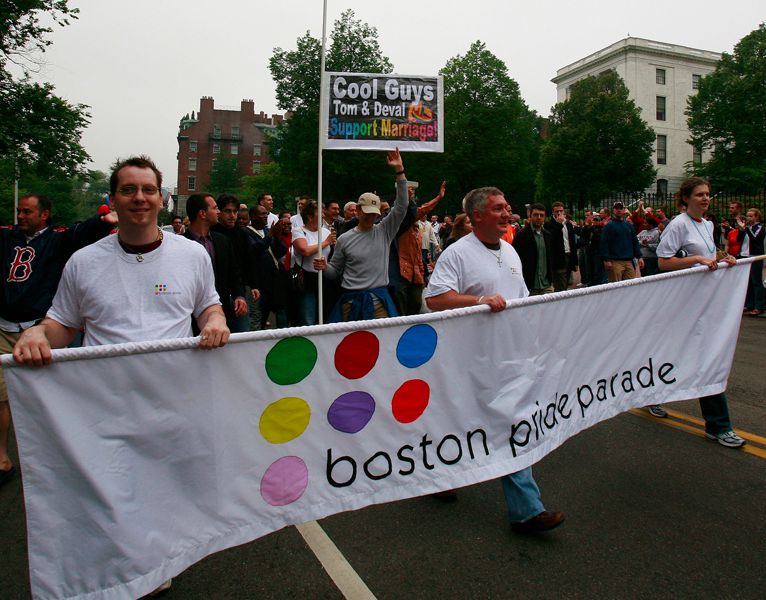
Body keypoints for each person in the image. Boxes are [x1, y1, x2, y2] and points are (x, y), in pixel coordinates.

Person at [12, 156, 228, 596]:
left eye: (147, 190)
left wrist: (215, 320)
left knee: (163, 490)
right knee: (114, 493)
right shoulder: (83, 262)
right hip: (104, 405)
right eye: (128, 190)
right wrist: (37, 332)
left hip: (171, 403)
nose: (139, 198)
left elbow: (208, 304)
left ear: (161, 199)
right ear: (112, 199)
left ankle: (154, 564)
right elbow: (63, 324)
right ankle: (125, 573)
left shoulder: (191, 255)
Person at [424, 186, 564, 534]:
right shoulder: (458, 253)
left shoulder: (511, 252)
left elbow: (521, 300)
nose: (507, 213)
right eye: (499, 208)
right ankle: (439, 477)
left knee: (511, 423)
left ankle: (527, 510)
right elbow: (435, 299)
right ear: (477, 216)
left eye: (507, 207)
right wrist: (479, 301)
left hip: (509, 357)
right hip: (470, 360)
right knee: (461, 421)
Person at [1, 194, 116, 486]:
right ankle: (2, 456)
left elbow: (80, 233)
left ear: (44, 215)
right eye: (19, 211)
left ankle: (52, 459)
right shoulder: (7, 237)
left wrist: (103, 221)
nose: (21, 216)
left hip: (41, 328)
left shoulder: (57, 240)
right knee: (1, 398)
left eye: (27, 212)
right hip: (3, 328)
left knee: (46, 397)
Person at [655, 176, 745, 448]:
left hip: (706, 302)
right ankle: (719, 426)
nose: (705, 198)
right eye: (699, 194)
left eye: (707, 194)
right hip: (684, 303)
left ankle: (651, 394)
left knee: (697, 356)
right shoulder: (678, 224)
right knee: (703, 358)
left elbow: (711, 254)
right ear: (685, 198)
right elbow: (663, 262)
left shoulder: (708, 224)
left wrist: (724, 258)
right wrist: (696, 259)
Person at [315, 149, 408, 322]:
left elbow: (402, 206)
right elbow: (334, 271)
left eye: (374, 213)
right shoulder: (344, 239)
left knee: (384, 338)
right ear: (357, 210)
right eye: (367, 212)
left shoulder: (384, 231)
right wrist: (323, 266)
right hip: (350, 303)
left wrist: (399, 171)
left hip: (379, 303)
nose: (370, 217)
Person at [184, 193, 248, 330]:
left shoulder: (222, 241)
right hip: (190, 315)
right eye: (215, 208)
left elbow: (233, 272)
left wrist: (239, 296)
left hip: (222, 310)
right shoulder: (181, 244)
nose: (218, 212)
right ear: (202, 213)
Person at [292, 200, 335, 326]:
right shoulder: (298, 231)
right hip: (307, 280)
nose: (323, 216)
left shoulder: (326, 232)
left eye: (323, 213)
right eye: (320, 213)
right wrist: (326, 242)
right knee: (308, 318)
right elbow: (305, 250)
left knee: (326, 316)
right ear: (310, 216)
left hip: (324, 278)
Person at [512, 203, 554, 295]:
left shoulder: (548, 235)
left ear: (544, 217)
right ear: (530, 216)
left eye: (541, 215)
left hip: (546, 284)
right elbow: (514, 259)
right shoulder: (522, 235)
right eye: (536, 215)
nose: (539, 217)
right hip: (530, 286)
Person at [600, 201, 644, 282]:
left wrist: (639, 257)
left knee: (630, 286)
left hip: (629, 261)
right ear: (613, 210)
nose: (619, 210)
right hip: (615, 261)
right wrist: (606, 260)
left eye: (621, 208)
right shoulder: (608, 226)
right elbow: (604, 243)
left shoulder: (629, 226)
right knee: (616, 286)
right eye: (616, 208)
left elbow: (635, 242)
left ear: (624, 210)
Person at [735, 208, 764, 316]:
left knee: (756, 281)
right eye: (747, 216)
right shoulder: (747, 227)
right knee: (747, 282)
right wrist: (741, 229)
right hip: (744, 256)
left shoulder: (760, 228)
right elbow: (738, 239)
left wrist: (746, 228)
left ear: (757, 217)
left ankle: (759, 306)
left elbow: (755, 239)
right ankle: (749, 304)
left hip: (755, 257)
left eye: (751, 216)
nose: (748, 218)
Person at [544, 201, 578, 291]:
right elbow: (550, 239)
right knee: (561, 285)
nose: (559, 213)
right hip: (558, 258)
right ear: (553, 212)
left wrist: (575, 261)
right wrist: (558, 224)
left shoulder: (568, 224)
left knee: (566, 283)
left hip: (569, 255)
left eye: (561, 211)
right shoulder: (548, 224)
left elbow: (572, 242)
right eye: (556, 211)